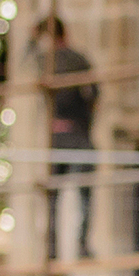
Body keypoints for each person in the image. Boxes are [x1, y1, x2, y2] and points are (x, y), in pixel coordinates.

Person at [35, 17, 96, 259]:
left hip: (59, 136)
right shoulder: (77, 58)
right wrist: (86, 126)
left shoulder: (43, 61)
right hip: (76, 134)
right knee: (83, 193)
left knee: (54, 197)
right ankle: (80, 245)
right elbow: (94, 95)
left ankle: (53, 251)